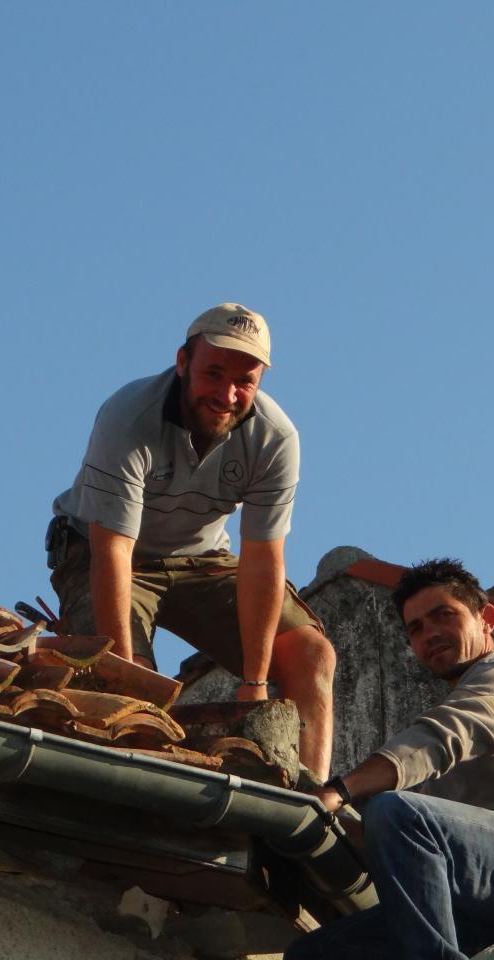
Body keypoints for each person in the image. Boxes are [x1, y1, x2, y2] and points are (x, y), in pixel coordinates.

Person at [49, 303, 335, 779]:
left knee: (311, 653)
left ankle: (311, 796)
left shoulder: (275, 438)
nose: (226, 394)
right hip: (107, 553)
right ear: (183, 362)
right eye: (214, 373)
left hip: (202, 558)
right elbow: (113, 550)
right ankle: (143, 787)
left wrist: (254, 684)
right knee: (132, 682)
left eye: (245, 380)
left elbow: (262, 561)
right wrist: (125, 670)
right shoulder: (128, 416)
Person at [288, 558, 494, 960]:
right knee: (314, 954)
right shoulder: (442, 783)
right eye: (415, 628)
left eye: (444, 615)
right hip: (475, 901)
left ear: (485, 617)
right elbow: (409, 845)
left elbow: (448, 735)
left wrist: (338, 792)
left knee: (395, 811)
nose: (430, 634)